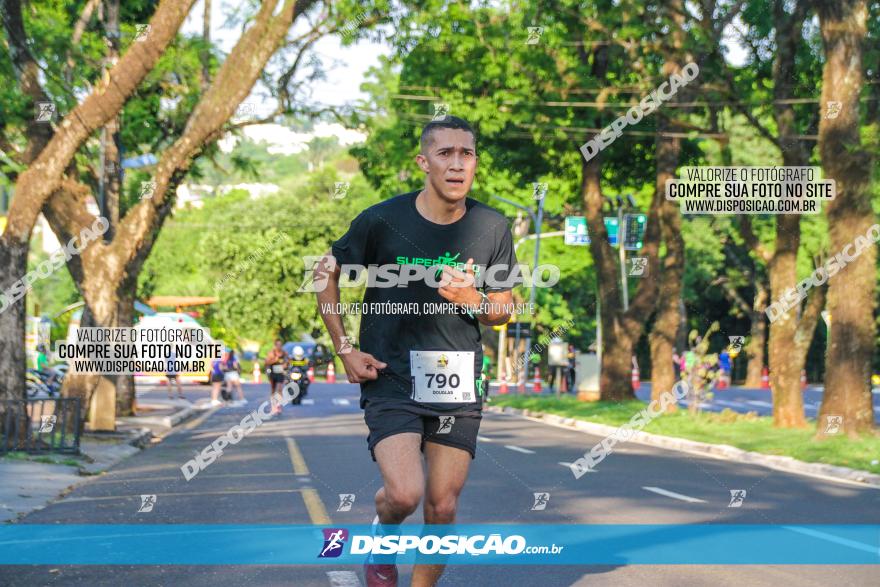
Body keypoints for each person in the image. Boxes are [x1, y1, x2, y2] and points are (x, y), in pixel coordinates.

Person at [316, 116, 517, 587]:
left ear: (475, 163)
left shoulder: (492, 226)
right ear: (423, 162)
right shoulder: (382, 220)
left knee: (443, 505)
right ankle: (382, 535)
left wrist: (477, 301)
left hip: (457, 379)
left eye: (465, 154)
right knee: (404, 495)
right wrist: (344, 347)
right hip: (390, 375)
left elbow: (505, 310)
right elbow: (324, 273)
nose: (456, 164)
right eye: (445, 154)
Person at [265, 339, 289, 414]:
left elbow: (288, 361)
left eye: (280, 345)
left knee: (280, 389)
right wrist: (274, 360)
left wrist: (285, 365)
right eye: (277, 345)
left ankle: (278, 405)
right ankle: (273, 406)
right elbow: (266, 362)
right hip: (273, 373)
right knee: (273, 390)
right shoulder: (272, 353)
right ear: (275, 345)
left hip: (280, 373)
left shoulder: (284, 353)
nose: (279, 346)